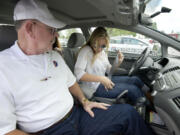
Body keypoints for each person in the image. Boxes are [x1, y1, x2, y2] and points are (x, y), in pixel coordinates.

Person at [0, 0, 155, 135]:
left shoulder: (53, 56)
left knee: (128, 113)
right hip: (50, 131)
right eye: (52, 30)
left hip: (78, 115)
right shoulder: (3, 68)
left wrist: (85, 100)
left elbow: (72, 82)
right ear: (30, 28)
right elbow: (5, 130)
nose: (56, 36)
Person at [74, 27, 147, 104]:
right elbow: (78, 74)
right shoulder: (85, 51)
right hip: (94, 88)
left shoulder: (102, 52)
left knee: (135, 80)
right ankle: (147, 108)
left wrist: (118, 62)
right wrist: (101, 79)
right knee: (133, 89)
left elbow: (109, 70)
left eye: (103, 46)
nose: (100, 49)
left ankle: (150, 96)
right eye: (97, 45)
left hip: (105, 80)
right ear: (93, 41)